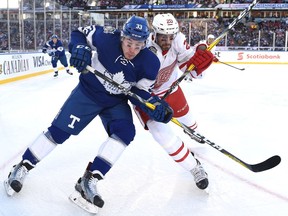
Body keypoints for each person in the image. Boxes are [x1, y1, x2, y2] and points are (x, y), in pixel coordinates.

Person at [4, 16, 174, 213]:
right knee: (59, 133)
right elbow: (79, 34)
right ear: (123, 37)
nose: (132, 51)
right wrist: (80, 48)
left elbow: (138, 92)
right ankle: (23, 165)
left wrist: (152, 104)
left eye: (138, 46)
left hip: (115, 102)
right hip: (88, 93)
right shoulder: (106, 37)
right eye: (129, 43)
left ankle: (90, 178)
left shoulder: (150, 61)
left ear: (144, 43)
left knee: (126, 132)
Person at [134, 13, 214, 190]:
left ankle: (193, 132)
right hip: (147, 97)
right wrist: (147, 101)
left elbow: (191, 71)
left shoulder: (178, 39)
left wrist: (199, 60)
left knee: (190, 123)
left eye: (171, 36)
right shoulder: (143, 47)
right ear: (154, 33)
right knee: (161, 135)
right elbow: (134, 84)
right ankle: (195, 167)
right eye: (164, 36)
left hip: (172, 90)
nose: (168, 40)